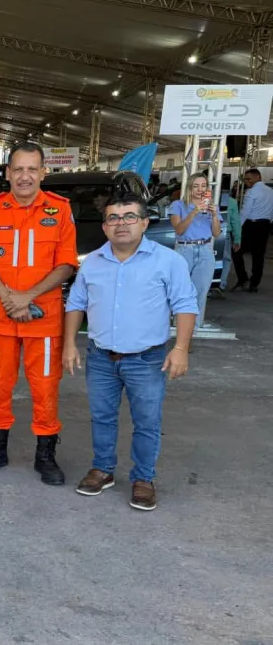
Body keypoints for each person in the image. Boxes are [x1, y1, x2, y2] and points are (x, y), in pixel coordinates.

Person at [63, 194, 198, 512]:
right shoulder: (92, 262)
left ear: (144, 223)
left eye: (128, 216)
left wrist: (181, 349)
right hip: (100, 357)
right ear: (104, 226)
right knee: (102, 417)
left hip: (147, 359)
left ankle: (143, 478)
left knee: (147, 421)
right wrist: (69, 343)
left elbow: (185, 305)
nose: (120, 223)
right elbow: (76, 304)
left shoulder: (168, 261)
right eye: (113, 218)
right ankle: (103, 469)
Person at [0, 142, 78, 485]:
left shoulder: (60, 211)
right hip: (0, 316)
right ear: (7, 174)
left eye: (32, 169)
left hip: (42, 318)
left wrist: (27, 296)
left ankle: (45, 454)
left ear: (43, 172)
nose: (25, 176)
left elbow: (66, 264)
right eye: (18, 169)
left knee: (45, 387)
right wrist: (8, 298)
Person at [168, 173, 221, 333]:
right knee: (181, 289)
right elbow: (179, 229)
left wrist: (213, 216)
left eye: (203, 186)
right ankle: (178, 326)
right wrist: (194, 212)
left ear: (207, 188)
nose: (200, 189)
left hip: (205, 249)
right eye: (196, 186)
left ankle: (191, 331)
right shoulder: (178, 205)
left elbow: (217, 233)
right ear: (190, 188)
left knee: (200, 291)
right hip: (185, 249)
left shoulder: (213, 206)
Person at [235, 168, 273, 292]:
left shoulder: (251, 192)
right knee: (259, 256)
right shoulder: (271, 191)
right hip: (265, 226)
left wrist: (237, 228)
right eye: (245, 179)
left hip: (250, 226)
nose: (246, 181)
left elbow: (244, 212)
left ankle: (243, 278)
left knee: (236, 251)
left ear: (258, 177)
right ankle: (254, 283)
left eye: (249, 179)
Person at [218, 189, 242, 294]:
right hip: (224, 233)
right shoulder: (230, 201)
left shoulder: (199, 199)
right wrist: (237, 239)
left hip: (205, 234)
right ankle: (221, 285)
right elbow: (235, 221)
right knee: (225, 259)